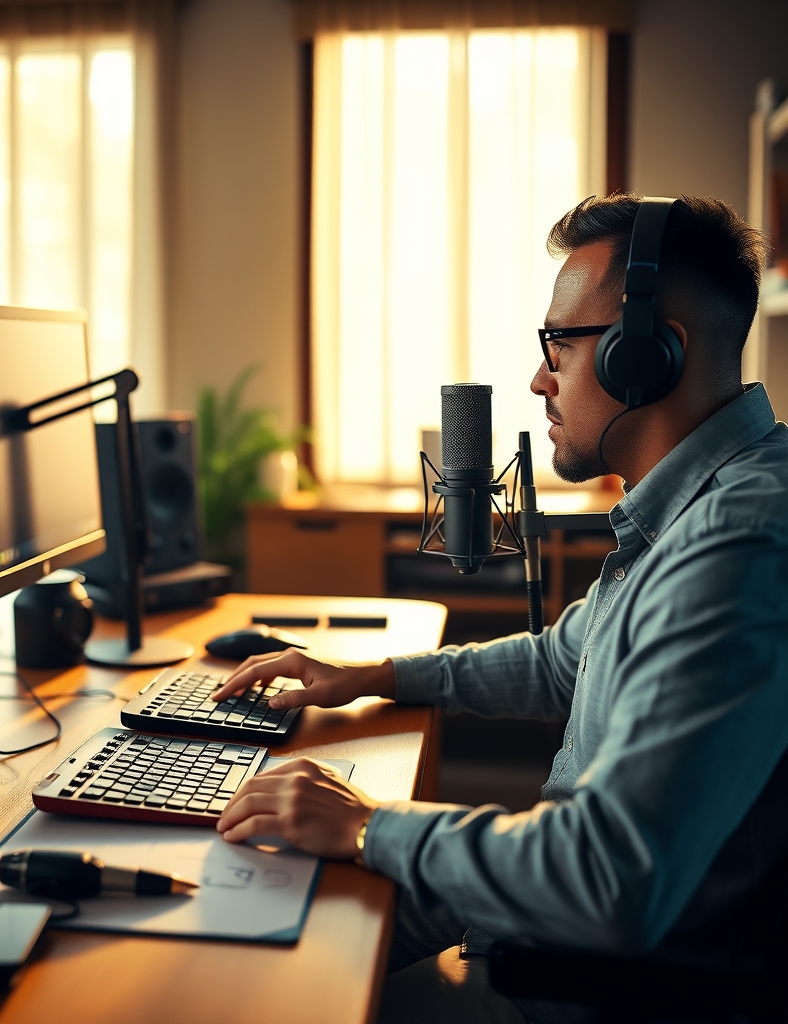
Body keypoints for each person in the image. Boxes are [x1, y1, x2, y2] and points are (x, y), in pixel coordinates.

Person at [210, 194, 788, 1023]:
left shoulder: (737, 545)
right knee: (237, 917)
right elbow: (562, 660)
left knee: (236, 991)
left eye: (559, 343)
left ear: (648, 354)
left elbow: (608, 876)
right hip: (539, 922)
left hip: (576, 985)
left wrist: (373, 827)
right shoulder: (696, 508)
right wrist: (364, 675)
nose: (537, 377)